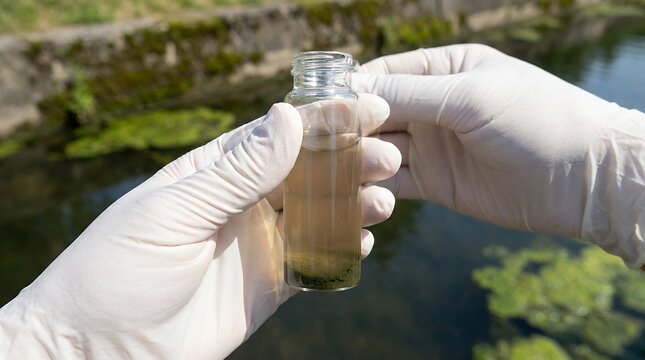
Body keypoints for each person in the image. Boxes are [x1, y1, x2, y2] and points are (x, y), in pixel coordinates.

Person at [1, 43, 643, 359]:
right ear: (304, 84)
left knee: (365, 191)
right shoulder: (306, 114)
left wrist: (611, 173)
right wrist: (59, 342)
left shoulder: (336, 113)